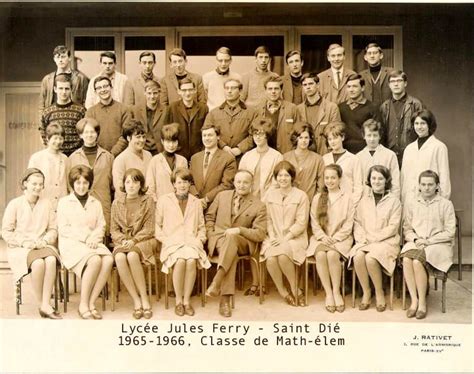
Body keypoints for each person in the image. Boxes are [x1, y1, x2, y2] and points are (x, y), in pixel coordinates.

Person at [205, 170, 267, 317]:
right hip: (219, 239)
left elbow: (260, 234)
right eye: (239, 181)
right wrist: (210, 233)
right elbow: (209, 217)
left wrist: (239, 230)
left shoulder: (259, 205)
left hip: (243, 243)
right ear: (234, 182)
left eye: (246, 182)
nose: (242, 185)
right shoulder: (222, 196)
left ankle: (217, 283)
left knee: (231, 241)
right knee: (229, 252)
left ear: (252, 184)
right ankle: (224, 299)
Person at [2, 168, 62, 319]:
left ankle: (46, 303)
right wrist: (24, 242)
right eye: (34, 184)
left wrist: (45, 240)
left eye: (40, 184)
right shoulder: (15, 204)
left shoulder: (47, 204)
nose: (37, 187)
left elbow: (53, 229)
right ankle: (42, 303)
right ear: (25, 184)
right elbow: (6, 231)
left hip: (42, 244)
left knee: (51, 259)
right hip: (21, 247)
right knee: (38, 264)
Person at [57, 165, 113, 319]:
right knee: (95, 260)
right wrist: (86, 238)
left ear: (90, 184)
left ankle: (91, 302)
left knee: (108, 259)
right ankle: (83, 304)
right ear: (72, 184)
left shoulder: (95, 202)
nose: (81, 187)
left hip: (91, 243)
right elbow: (63, 229)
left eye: (85, 183)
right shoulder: (64, 202)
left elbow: (101, 225)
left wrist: (94, 238)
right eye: (78, 183)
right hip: (71, 244)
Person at [400, 170, 456, 319]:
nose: (426, 188)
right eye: (423, 184)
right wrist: (416, 239)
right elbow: (407, 228)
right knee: (406, 259)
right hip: (417, 242)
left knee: (417, 261)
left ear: (437, 186)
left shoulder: (445, 204)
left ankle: (423, 303)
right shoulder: (412, 203)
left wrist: (429, 241)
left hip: (438, 244)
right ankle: (414, 300)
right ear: (419, 185)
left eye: (430, 184)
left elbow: (450, 232)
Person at [155, 168, 211, 316]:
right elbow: (157, 225)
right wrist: (165, 240)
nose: (182, 185)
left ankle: (187, 301)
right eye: (179, 182)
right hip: (172, 242)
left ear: (189, 183)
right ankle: (178, 301)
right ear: (173, 184)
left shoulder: (196, 202)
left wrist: (199, 240)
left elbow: (201, 227)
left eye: (185, 182)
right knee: (180, 260)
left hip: (191, 242)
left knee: (191, 260)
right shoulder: (164, 200)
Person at [349, 165, 401, 311]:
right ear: (369, 180)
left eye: (380, 178)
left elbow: (393, 226)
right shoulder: (363, 200)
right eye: (373, 178)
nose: (376, 181)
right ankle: (367, 292)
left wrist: (375, 238)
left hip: (386, 241)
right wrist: (362, 238)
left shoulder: (394, 201)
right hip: (365, 240)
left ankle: (379, 292)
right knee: (358, 256)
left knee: (371, 258)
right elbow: (357, 222)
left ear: (386, 181)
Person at [261, 161, 309, 307]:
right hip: (274, 237)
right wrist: (273, 236)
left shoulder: (301, 196)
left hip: (295, 237)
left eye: (286, 175)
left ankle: (296, 290)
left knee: (282, 255)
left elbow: (301, 223)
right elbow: (267, 218)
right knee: (270, 259)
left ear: (292, 177)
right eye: (280, 175)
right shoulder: (270, 195)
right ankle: (283, 292)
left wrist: (285, 238)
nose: (283, 178)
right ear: (276, 177)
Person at [110, 168, 157, 319]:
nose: (131, 185)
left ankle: (144, 298)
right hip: (123, 240)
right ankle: (136, 300)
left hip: (144, 240)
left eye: (135, 182)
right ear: (124, 184)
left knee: (131, 256)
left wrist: (134, 240)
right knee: (119, 257)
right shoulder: (117, 203)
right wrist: (123, 240)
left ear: (141, 184)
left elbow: (149, 228)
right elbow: (114, 230)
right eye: (128, 182)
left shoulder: (148, 200)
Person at [307, 164, 354, 313]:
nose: (330, 181)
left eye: (333, 177)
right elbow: (314, 221)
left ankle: (336, 291)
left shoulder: (347, 198)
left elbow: (349, 223)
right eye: (326, 178)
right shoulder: (318, 198)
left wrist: (336, 238)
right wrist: (322, 236)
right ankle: (328, 293)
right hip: (321, 238)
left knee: (332, 254)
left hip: (341, 238)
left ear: (340, 179)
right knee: (321, 254)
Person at [69, 118, 114, 233]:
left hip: (103, 203)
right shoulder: (73, 157)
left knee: (102, 234)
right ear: (80, 135)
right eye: (86, 132)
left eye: (92, 132)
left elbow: (113, 185)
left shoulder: (108, 157)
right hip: (81, 205)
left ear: (97, 134)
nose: (89, 135)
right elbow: (70, 186)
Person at [401, 109, 451, 204]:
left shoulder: (439, 147)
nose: (419, 127)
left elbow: (444, 177)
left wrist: (442, 202)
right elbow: (403, 178)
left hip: (431, 201)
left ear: (429, 124)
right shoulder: (409, 149)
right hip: (410, 201)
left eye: (423, 123)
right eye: (416, 123)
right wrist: (403, 201)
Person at [203, 78, 256, 159]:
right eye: (227, 88)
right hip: (219, 156)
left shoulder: (252, 112)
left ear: (240, 90)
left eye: (233, 88)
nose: (229, 91)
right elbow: (207, 133)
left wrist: (240, 149)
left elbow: (255, 134)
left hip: (243, 156)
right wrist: (223, 146)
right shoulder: (213, 113)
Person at [379, 70, 424, 164]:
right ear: (389, 85)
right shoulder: (385, 106)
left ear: (405, 83)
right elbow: (381, 132)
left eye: (399, 81)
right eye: (392, 81)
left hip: (410, 153)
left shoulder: (415, 104)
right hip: (389, 154)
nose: (396, 84)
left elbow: (423, 129)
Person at [189, 123, 237, 210]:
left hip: (217, 206)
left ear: (218, 137)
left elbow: (227, 185)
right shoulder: (194, 158)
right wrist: (196, 198)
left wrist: (206, 199)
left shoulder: (228, 159)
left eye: (210, 135)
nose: (207, 138)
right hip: (195, 205)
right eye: (204, 135)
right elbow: (190, 181)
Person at [39, 74, 86, 156]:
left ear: (71, 89)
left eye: (67, 89)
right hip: (55, 155)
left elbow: (85, 132)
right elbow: (43, 132)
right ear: (55, 89)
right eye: (61, 88)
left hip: (76, 155)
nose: (64, 92)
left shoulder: (80, 110)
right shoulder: (47, 111)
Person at [85, 75, 131, 157]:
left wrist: (112, 154)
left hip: (120, 156)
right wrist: (102, 155)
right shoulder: (90, 112)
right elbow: (89, 135)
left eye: (105, 86)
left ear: (111, 88)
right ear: (95, 92)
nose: (103, 90)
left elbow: (126, 135)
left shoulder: (124, 109)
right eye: (99, 88)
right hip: (97, 156)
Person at [39, 45, 88, 121]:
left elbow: (85, 101)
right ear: (54, 59)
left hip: (74, 118)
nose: (60, 60)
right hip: (52, 120)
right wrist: (42, 124)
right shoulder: (47, 79)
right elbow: (41, 105)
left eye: (63, 56)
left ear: (69, 58)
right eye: (58, 57)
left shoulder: (80, 78)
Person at [296, 72, 341, 155]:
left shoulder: (331, 108)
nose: (308, 87)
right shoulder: (298, 109)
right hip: (306, 154)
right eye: (305, 85)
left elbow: (336, 133)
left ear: (318, 85)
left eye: (311, 84)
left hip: (325, 152)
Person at [239, 119, 283, 201]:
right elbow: (241, 179)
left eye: (261, 134)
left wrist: (265, 200)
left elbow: (276, 183)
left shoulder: (277, 156)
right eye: (255, 134)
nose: (257, 137)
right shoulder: (247, 156)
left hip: (269, 200)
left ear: (268, 135)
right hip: (247, 200)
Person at [29, 123, 69, 213]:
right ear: (47, 138)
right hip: (42, 203)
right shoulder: (37, 158)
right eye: (55, 138)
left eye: (60, 138)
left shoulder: (65, 159)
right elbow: (30, 184)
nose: (58, 141)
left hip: (61, 205)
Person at [252, 76, 298, 154]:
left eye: (276, 88)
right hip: (265, 153)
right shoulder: (258, 110)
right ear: (265, 91)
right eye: (270, 89)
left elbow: (298, 133)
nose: (273, 91)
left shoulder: (292, 108)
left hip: (285, 153)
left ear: (281, 90)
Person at [322, 122, 364, 206]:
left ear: (342, 137)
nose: (332, 142)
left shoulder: (353, 159)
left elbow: (358, 186)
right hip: (329, 204)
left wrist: (351, 204)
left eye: (335, 138)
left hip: (348, 204)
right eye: (330, 139)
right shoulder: (324, 159)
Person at [357, 119, 400, 197]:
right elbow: (357, 184)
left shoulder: (390, 155)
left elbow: (395, 183)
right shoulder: (358, 157)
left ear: (380, 136)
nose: (372, 139)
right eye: (369, 135)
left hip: (386, 199)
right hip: (365, 200)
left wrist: (394, 200)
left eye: (375, 135)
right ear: (364, 136)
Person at [146, 123, 189, 202]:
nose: (171, 145)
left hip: (179, 204)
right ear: (162, 141)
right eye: (168, 142)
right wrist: (158, 203)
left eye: (174, 141)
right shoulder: (155, 161)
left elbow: (185, 185)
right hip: (160, 205)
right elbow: (150, 188)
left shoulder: (182, 161)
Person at [168, 77, 209, 160]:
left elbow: (207, 130)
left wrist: (203, 150)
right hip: (178, 153)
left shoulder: (203, 108)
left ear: (195, 90)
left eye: (190, 90)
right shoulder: (172, 108)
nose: (187, 93)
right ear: (179, 91)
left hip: (198, 153)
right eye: (184, 90)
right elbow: (168, 132)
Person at [338, 74, 379, 154]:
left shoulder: (373, 107)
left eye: (355, 86)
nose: (351, 90)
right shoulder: (340, 107)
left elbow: (378, 132)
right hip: (345, 153)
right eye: (349, 87)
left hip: (365, 152)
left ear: (363, 88)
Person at [283, 122, 324, 202]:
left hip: (309, 201)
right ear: (295, 138)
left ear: (310, 139)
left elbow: (321, 185)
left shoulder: (318, 159)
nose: (304, 141)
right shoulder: (286, 157)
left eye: (306, 138)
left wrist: (315, 201)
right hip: (289, 202)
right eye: (300, 137)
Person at [112, 120, 152, 199]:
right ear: (128, 138)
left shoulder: (148, 155)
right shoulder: (120, 160)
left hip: (146, 202)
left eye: (143, 137)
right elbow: (119, 189)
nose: (141, 140)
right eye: (138, 137)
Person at [131, 80, 169, 156]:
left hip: (159, 150)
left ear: (159, 93)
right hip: (142, 149)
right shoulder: (135, 110)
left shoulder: (166, 110)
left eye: (155, 93)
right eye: (149, 93)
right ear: (144, 93)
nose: (152, 96)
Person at [202, 47, 242, 111]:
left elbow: (241, 99)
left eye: (226, 60)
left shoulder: (237, 77)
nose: (223, 64)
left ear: (231, 60)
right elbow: (202, 100)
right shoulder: (207, 77)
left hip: (232, 114)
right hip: (213, 114)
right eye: (220, 60)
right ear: (216, 61)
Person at [358, 43, 393, 107]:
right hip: (368, 114)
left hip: (388, 112)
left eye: (375, 53)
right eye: (369, 53)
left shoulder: (391, 72)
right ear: (365, 57)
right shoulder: (361, 75)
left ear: (381, 55)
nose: (372, 56)